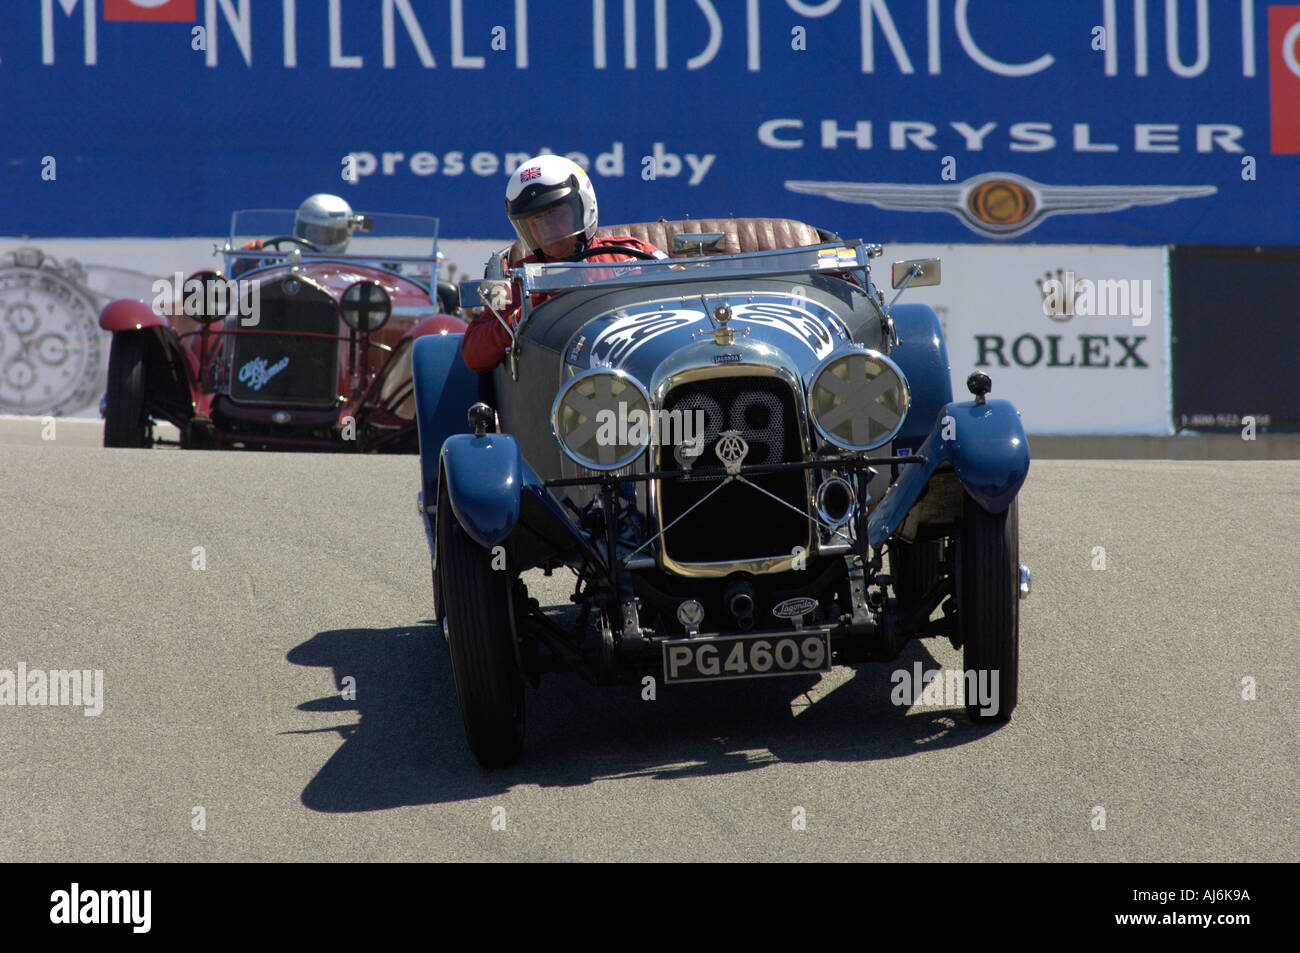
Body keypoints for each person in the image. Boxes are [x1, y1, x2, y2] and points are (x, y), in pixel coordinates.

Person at [460, 155, 666, 373]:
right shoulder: (518, 281)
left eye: (555, 214)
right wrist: (522, 318)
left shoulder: (636, 256)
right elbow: (473, 353)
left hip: (646, 375)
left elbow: (689, 299)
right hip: (558, 392)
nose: (547, 228)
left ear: (585, 207)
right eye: (536, 222)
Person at [230, 194, 357, 278]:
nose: (320, 237)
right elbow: (235, 289)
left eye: (328, 233)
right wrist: (242, 267)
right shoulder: (275, 269)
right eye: (313, 232)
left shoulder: (351, 279)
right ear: (300, 229)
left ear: (344, 234)